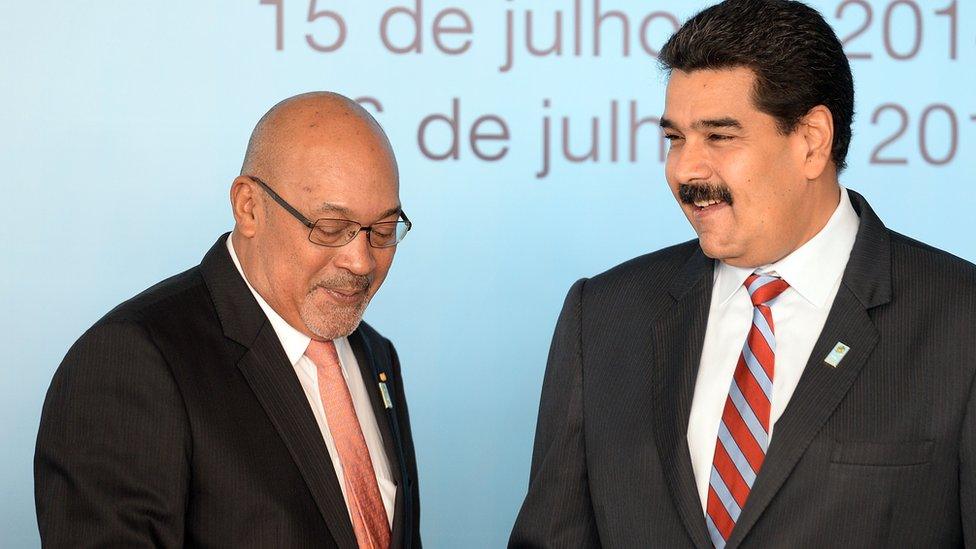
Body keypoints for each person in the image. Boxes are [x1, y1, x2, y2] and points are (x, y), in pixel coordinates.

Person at [510, 0, 975, 547]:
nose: (685, 169)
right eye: (675, 138)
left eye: (719, 136)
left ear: (811, 140)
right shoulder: (605, 316)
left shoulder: (960, 320)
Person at [35, 92, 421, 548]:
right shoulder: (132, 363)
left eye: (382, 230)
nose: (361, 261)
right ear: (249, 207)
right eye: (331, 228)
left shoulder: (374, 353)